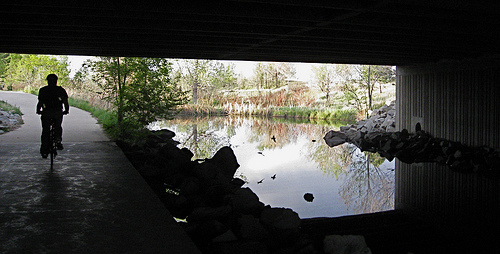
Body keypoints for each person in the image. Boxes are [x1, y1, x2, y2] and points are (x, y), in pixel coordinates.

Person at [36, 74, 69, 158]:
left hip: (46, 112)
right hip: (57, 112)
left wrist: (38, 110)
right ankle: (58, 140)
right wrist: (66, 110)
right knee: (57, 126)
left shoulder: (43, 90)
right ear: (56, 81)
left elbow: (40, 102)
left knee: (46, 130)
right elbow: (65, 102)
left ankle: (44, 151)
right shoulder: (60, 90)